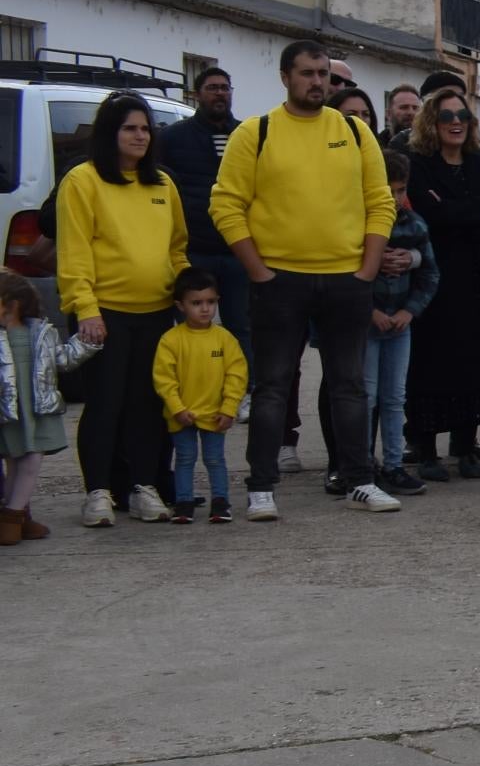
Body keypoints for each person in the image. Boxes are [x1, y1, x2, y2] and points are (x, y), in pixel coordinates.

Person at [211, 41, 398, 520]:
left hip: (346, 278)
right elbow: (226, 205)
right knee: (272, 387)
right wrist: (259, 270)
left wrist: (368, 268)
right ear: (285, 77)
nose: (318, 83)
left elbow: (381, 202)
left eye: (324, 74)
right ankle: (261, 487)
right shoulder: (257, 132)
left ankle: (359, 479)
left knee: (350, 386)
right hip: (280, 280)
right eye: (308, 73)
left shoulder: (355, 133)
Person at [57, 89, 187, 526]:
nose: (139, 136)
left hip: (156, 312)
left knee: (147, 405)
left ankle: (143, 487)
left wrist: (187, 296)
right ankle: (98, 491)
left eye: (145, 129)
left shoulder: (163, 184)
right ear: (109, 133)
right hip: (104, 315)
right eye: (129, 128)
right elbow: (74, 252)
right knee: (105, 404)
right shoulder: (82, 181)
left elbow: (177, 249)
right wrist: (85, 308)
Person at [402, 89, 480, 483]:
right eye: (446, 115)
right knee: (431, 367)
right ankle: (428, 451)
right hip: (434, 284)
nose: (456, 122)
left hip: (477, 281)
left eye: (463, 116)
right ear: (431, 122)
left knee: (472, 366)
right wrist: (475, 209)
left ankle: (466, 448)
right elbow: (427, 215)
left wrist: (456, 210)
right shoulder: (418, 166)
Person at [364, 150, 439, 496]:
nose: (393, 198)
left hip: (400, 325)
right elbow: (345, 275)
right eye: (386, 190)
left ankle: (393, 465)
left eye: (399, 190)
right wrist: (370, 312)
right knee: (366, 397)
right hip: (367, 325)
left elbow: (430, 274)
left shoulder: (414, 224)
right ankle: (363, 467)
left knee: (394, 397)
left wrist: (409, 312)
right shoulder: (357, 224)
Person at [155, 65, 247, 343]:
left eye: (224, 88)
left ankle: (245, 383)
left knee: (242, 327)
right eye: (212, 88)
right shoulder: (172, 138)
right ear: (197, 95)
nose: (219, 94)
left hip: (240, 251)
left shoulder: (248, 136)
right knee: (192, 328)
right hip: (194, 251)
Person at [152, 268, 248, 523]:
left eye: (210, 302)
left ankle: (220, 501)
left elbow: (237, 374)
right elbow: (164, 378)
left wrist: (229, 408)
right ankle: (183, 502)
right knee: (184, 458)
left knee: (215, 459)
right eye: (196, 303)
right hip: (182, 414)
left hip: (216, 414)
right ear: (180, 306)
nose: (205, 309)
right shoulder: (171, 340)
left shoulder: (225, 338)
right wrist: (176, 408)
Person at [0, 271, 72, 543]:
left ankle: (15, 516)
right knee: (17, 462)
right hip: (11, 413)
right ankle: (14, 516)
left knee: (30, 461)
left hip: (37, 410)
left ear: (13, 305)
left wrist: (89, 342)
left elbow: (63, 359)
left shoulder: (41, 332)